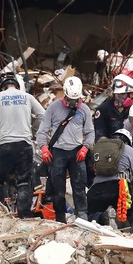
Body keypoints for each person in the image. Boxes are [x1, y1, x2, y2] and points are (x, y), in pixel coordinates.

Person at [0, 74, 45, 216]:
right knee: (24, 181)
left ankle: (0, 214)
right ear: (17, 85)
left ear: (2, 86)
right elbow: (42, 115)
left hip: (4, 146)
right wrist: (32, 131)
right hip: (24, 146)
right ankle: (24, 216)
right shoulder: (27, 97)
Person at [36, 76, 94, 223]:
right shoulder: (53, 108)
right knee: (58, 189)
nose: (74, 103)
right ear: (65, 95)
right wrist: (44, 148)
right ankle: (60, 219)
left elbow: (90, 132)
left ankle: (82, 218)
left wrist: (85, 149)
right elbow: (42, 131)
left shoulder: (84, 110)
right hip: (58, 153)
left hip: (77, 152)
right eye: (70, 99)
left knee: (79, 187)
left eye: (76, 100)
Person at [88, 127, 133, 232]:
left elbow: (90, 168)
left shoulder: (100, 149)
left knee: (92, 212)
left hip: (97, 187)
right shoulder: (128, 149)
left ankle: (103, 216)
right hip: (120, 186)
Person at [93, 74, 133, 140]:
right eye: (117, 94)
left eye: (122, 94)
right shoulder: (103, 109)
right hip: (110, 148)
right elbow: (99, 136)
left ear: (131, 94)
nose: (118, 97)